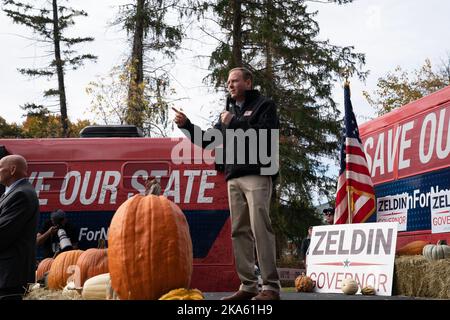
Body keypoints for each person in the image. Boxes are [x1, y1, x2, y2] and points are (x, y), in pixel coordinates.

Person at [174, 67, 281, 300]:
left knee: (260, 227)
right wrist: (187, 125)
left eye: (235, 81)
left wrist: (235, 122)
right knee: (239, 231)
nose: (230, 85)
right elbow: (209, 142)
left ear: (248, 82)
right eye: (228, 82)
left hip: (257, 173)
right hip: (233, 176)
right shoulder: (228, 111)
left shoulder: (265, 105)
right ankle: (248, 286)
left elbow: (265, 136)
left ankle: (271, 287)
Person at [0, 155, 39, 300]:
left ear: (12, 170)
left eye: (0, 168)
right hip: (8, 276)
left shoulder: (21, 194)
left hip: (11, 277)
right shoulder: (12, 193)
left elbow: (3, 233)